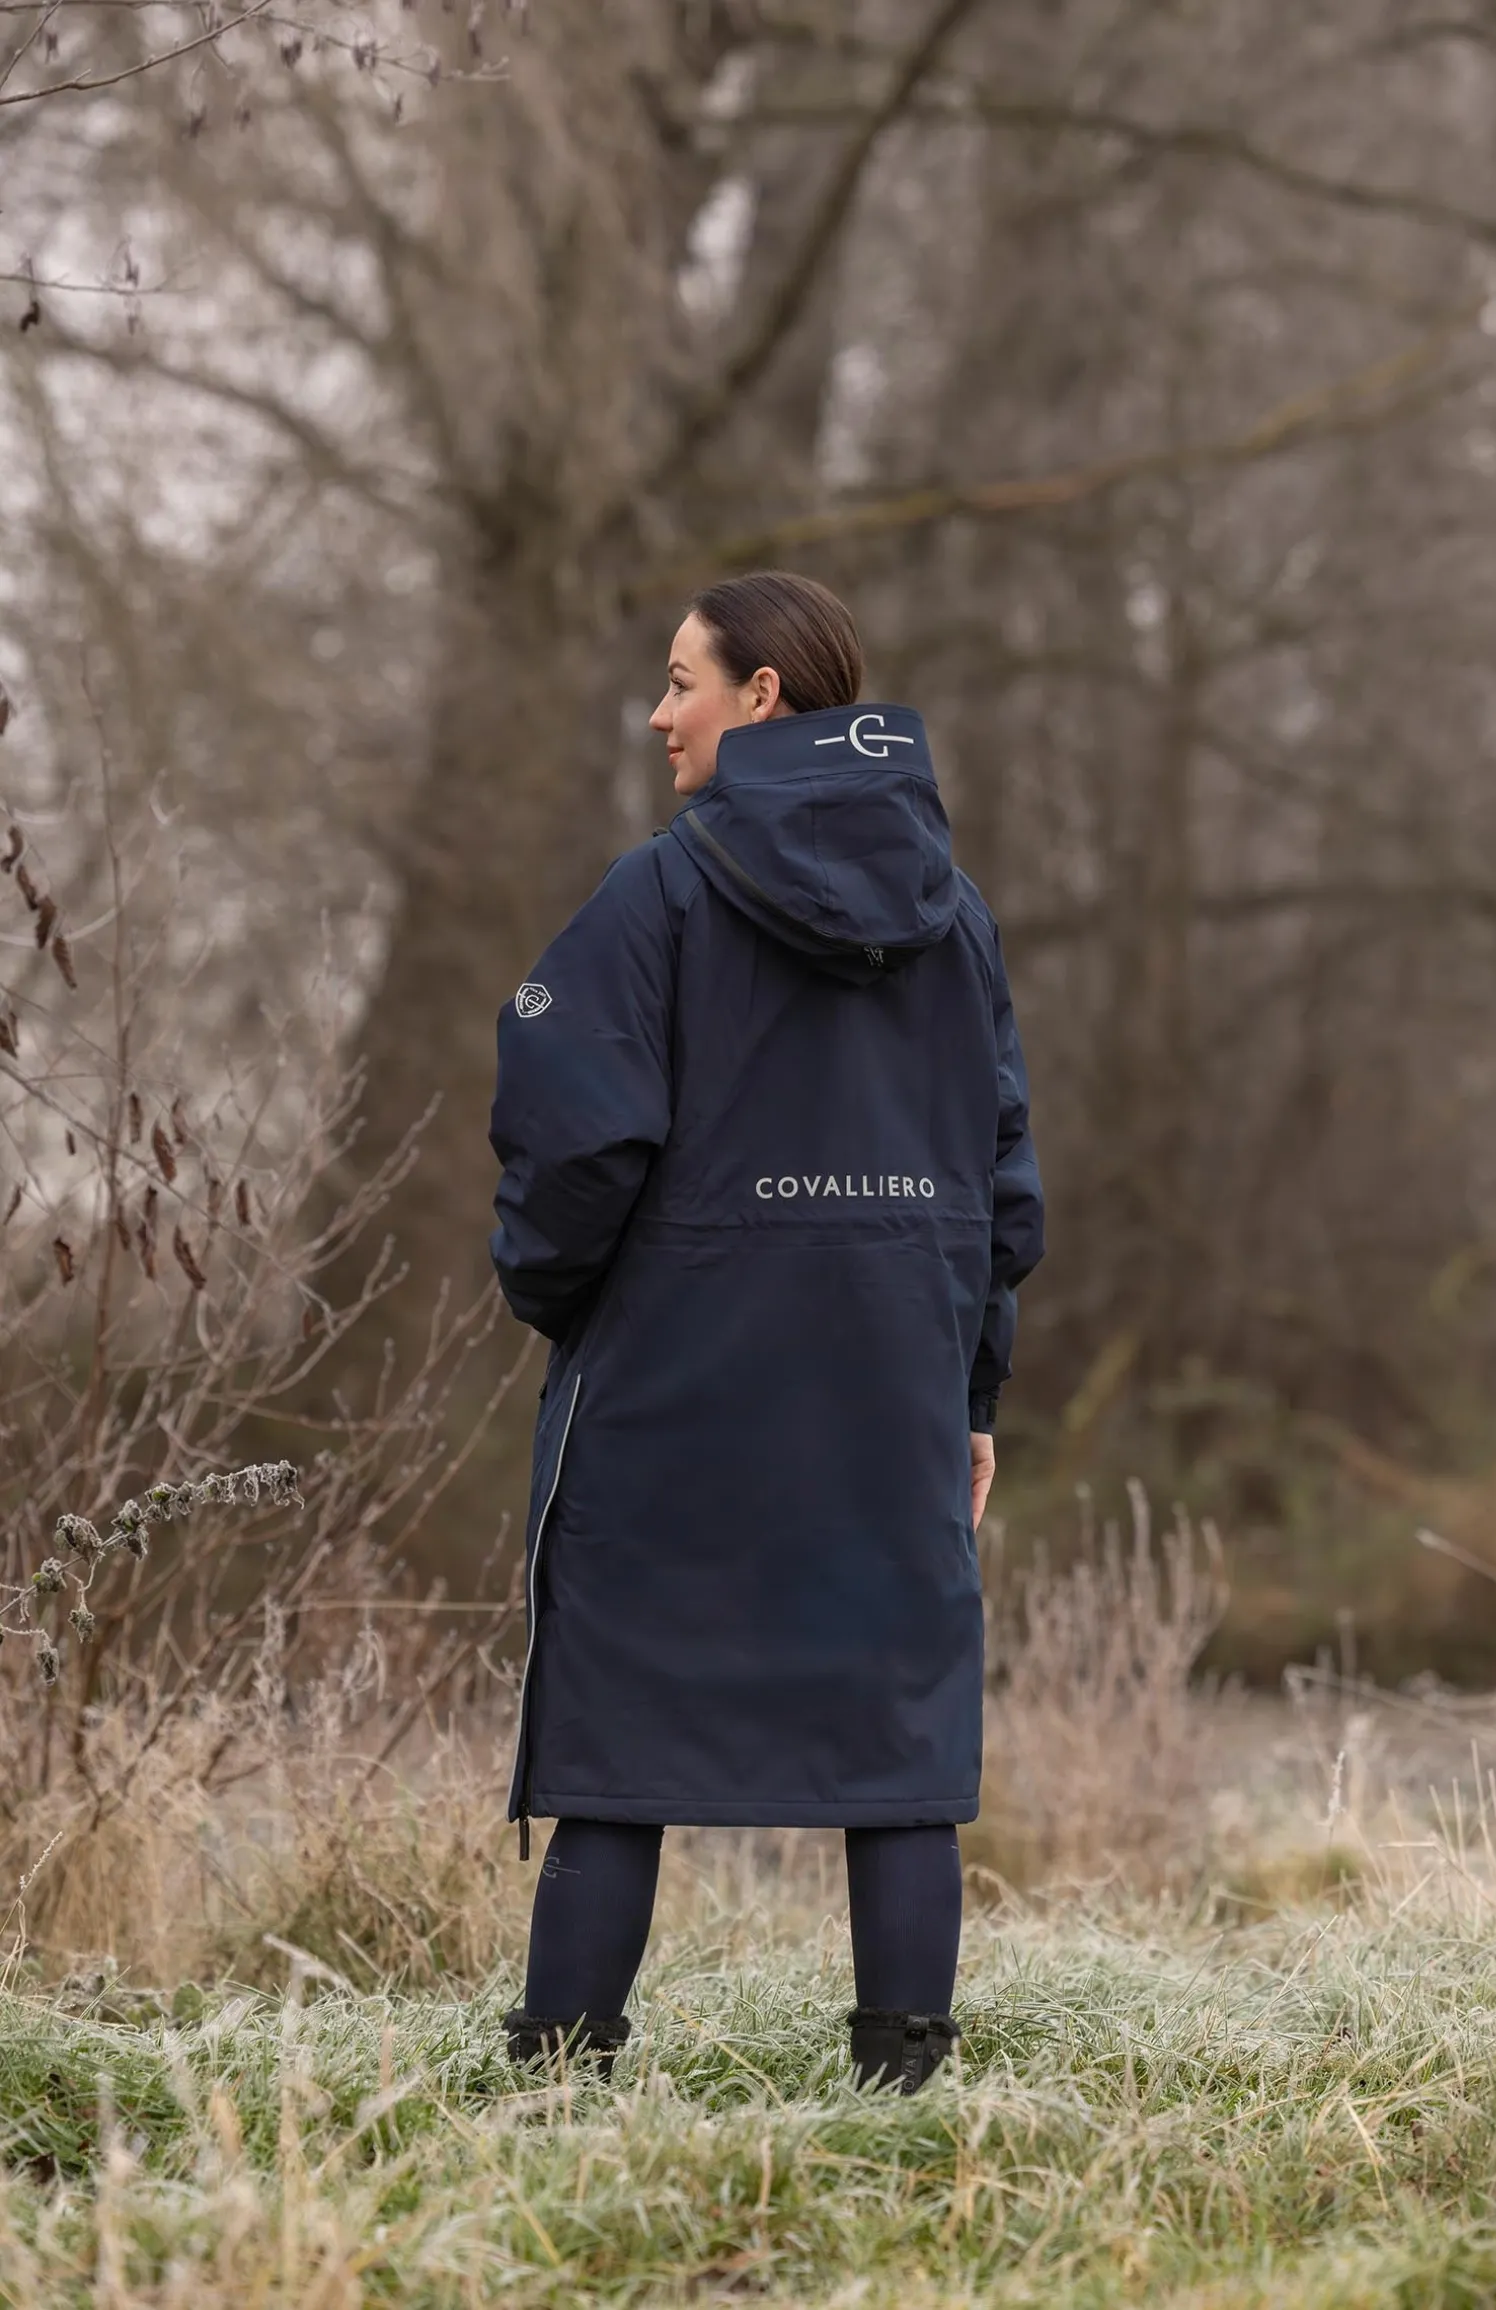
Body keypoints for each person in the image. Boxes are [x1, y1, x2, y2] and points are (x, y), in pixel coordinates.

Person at [487, 570, 1044, 2094]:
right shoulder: (959, 918)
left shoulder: (656, 894)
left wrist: (557, 1298)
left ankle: (557, 2083)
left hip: (675, 1386)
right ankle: (902, 2087)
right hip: (891, 1391)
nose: (657, 713)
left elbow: (570, 1140)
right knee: (898, 1736)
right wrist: (969, 1392)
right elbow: (996, 1180)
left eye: (681, 680)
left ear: (763, 696)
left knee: (619, 1732)